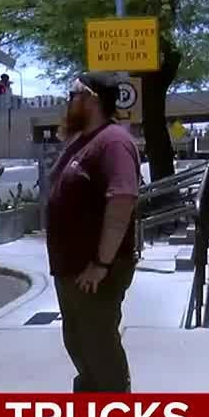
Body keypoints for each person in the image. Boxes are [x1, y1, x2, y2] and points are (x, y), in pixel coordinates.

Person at [45, 73, 141, 392]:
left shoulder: (114, 141)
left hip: (95, 272)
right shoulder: (82, 141)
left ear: (92, 98)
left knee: (100, 349)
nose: (68, 101)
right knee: (80, 344)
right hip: (71, 270)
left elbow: (123, 198)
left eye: (72, 94)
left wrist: (100, 263)